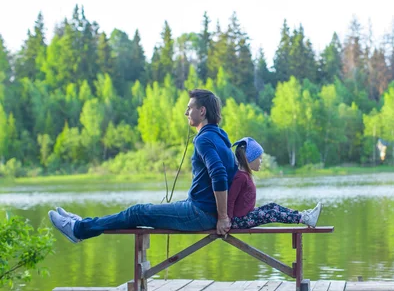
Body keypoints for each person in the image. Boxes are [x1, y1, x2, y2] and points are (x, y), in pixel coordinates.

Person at [48, 89, 238, 242]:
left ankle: (79, 230)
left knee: (137, 212)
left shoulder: (204, 139)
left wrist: (222, 218)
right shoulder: (220, 137)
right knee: (141, 210)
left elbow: (219, 174)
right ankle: (82, 224)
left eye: (190, 108)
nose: (186, 112)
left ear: (202, 111)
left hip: (201, 213)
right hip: (201, 208)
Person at [228, 137, 322, 229]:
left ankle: (303, 215)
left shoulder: (245, 175)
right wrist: (228, 220)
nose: (261, 161)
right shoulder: (240, 177)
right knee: (271, 214)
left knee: (272, 206)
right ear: (249, 158)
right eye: (259, 158)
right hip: (238, 221)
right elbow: (230, 199)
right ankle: (304, 219)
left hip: (246, 215)